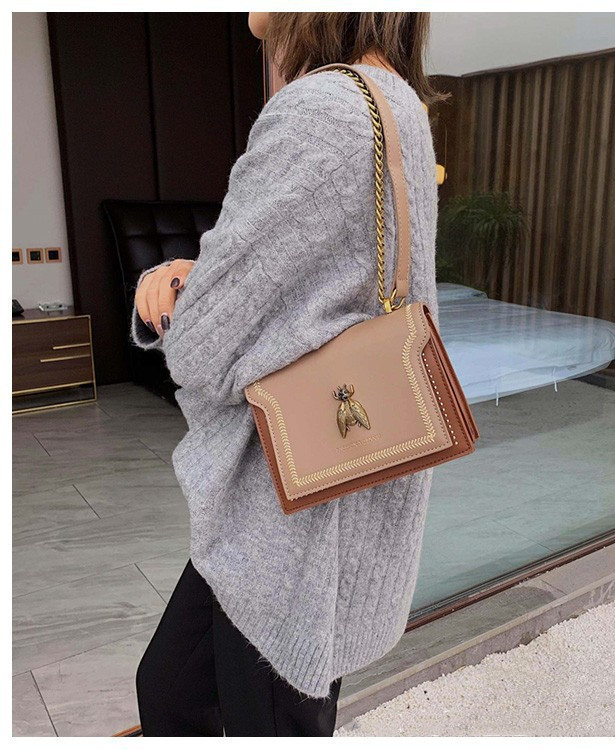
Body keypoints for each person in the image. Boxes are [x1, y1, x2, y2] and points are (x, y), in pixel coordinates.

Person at [132, 11, 442, 737]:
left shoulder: (318, 110)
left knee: (229, 710)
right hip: (331, 482)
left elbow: (202, 344)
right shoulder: (395, 103)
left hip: (288, 516)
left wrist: (170, 283)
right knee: (174, 688)